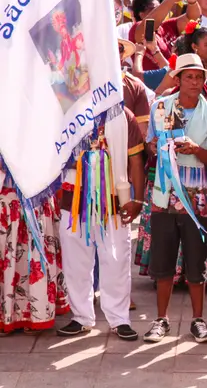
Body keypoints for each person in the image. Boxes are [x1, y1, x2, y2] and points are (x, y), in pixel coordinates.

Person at [142, 54, 207, 343]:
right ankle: (161, 319)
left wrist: (195, 150)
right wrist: (156, 148)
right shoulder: (161, 107)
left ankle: (198, 320)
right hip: (164, 192)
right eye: (188, 76)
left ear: (205, 80)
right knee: (163, 259)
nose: (194, 82)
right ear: (177, 79)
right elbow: (152, 145)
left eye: (199, 77)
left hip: (197, 194)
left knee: (196, 260)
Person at [57, 107, 145, 340]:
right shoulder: (68, 111)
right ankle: (81, 317)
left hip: (114, 202)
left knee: (116, 260)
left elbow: (136, 160)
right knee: (75, 262)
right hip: (74, 200)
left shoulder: (124, 115)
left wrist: (137, 199)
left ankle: (119, 319)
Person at [0, 158, 68, 335]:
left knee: (32, 256)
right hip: (5, 196)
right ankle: (7, 314)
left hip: (35, 192)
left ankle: (33, 314)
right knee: (6, 255)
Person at [131, 0, 201, 71]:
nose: (161, 11)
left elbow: (192, 18)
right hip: (148, 82)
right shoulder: (136, 28)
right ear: (141, 14)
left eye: (160, 7)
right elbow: (150, 23)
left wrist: (192, 2)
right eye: (154, 9)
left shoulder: (167, 26)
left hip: (172, 79)